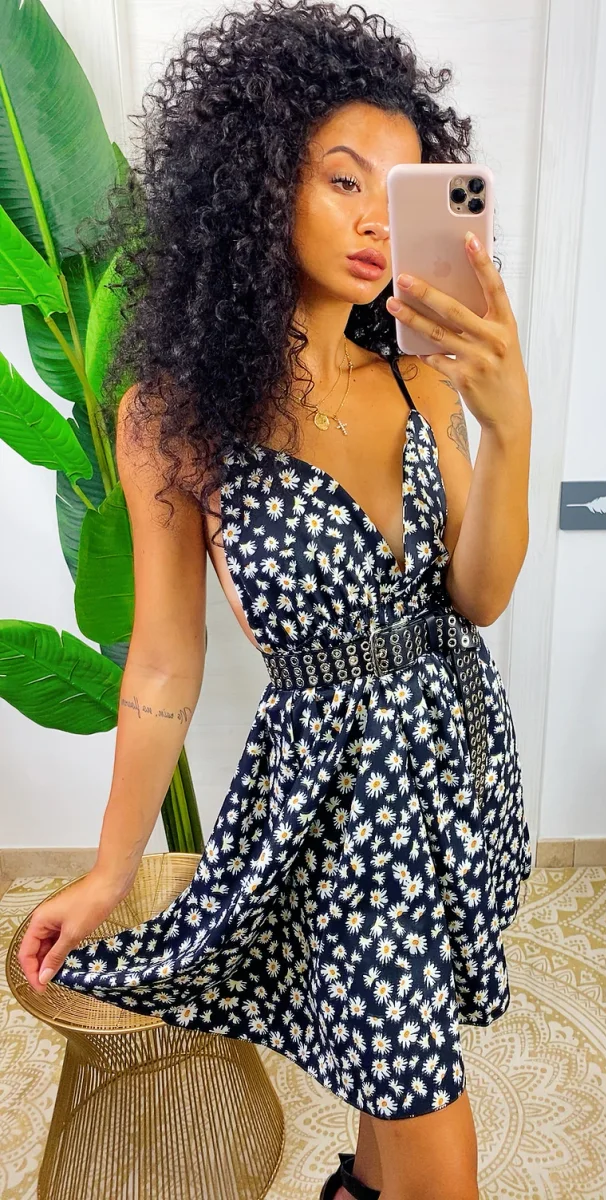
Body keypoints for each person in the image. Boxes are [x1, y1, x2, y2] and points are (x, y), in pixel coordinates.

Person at [17, 3, 533, 1197]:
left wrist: (509, 427)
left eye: (400, 191)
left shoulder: (422, 374)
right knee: (430, 1111)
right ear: (254, 184)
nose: (375, 219)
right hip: (336, 804)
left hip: (456, 760)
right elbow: (163, 663)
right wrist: (109, 871)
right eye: (343, 180)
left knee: (395, 1058)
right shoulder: (174, 415)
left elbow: (479, 598)